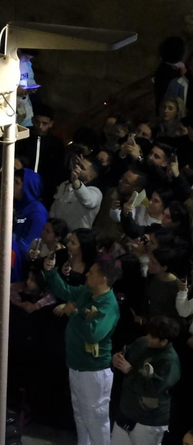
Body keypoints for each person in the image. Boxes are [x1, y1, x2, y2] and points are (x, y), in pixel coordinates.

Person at [44, 251, 122, 445]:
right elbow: (65, 291)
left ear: (103, 279)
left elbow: (93, 334)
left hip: (94, 371)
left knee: (96, 420)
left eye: (92, 272)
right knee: (80, 416)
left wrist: (74, 313)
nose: (87, 274)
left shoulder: (108, 306)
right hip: (76, 365)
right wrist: (50, 272)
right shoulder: (87, 292)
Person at [113, 315, 182, 445]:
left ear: (164, 341)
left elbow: (153, 389)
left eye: (153, 336)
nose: (147, 337)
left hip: (149, 421)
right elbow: (125, 355)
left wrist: (129, 371)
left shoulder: (169, 361)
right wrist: (117, 359)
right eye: (149, 333)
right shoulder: (141, 343)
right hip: (126, 411)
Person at [53, 155, 103, 231]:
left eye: (82, 168)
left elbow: (88, 200)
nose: (77, 168)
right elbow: (55, 207)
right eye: (78, 165)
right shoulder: (65, 184)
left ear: (91, 176)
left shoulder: (96, 192)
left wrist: (76, 182)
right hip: (55, 232)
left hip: (75, 236)